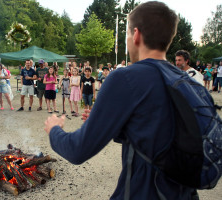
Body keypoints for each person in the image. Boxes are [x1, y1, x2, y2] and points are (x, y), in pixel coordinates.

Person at [44, 2, 196, 199]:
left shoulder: (124, 78)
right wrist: (114, 125)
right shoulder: (188, 81)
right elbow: (160, 134)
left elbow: (78, 150)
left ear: (136, 35)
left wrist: (54, 130)